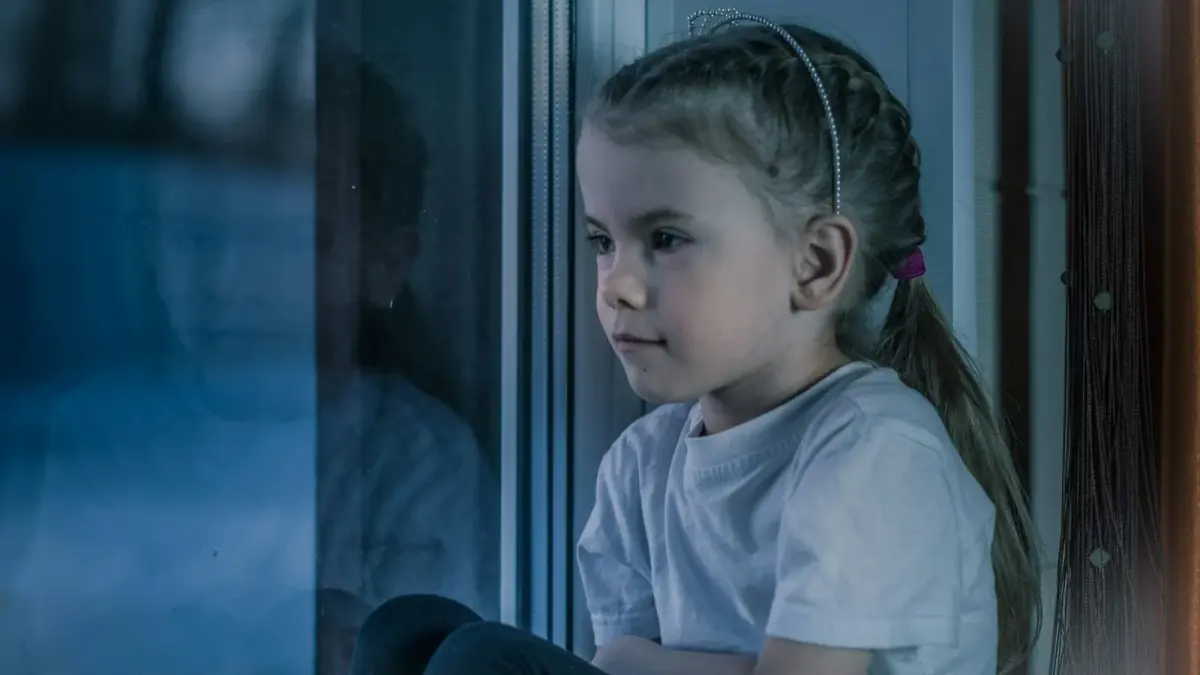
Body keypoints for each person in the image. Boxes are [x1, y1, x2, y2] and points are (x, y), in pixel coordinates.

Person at [351, 10, 1039, 675]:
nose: (616, 285)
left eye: (667, 239)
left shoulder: (874, 448)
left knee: (483, 659)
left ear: (816, 264)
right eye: (603, 241)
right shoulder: (642, 466)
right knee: (407, 631)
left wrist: (631, 662)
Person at [7, 44, 497, 675]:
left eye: (288, 238)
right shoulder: (95, 432)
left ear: (383, 263)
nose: (229, 275)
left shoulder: (423, 461)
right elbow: (50, 646)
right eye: (198, 233)